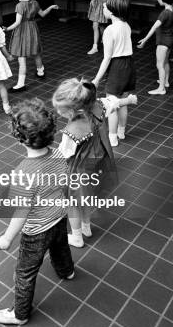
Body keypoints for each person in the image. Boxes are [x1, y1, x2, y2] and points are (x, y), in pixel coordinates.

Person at [0, 98, 74, 325]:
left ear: (19, 138)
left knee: (25, 273)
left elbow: (22, 211)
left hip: (36, 230)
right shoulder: (59, 154)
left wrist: (7, 238)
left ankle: (19, 314)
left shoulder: (23, 172)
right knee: (60, 246)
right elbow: (64, 183)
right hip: (59, 216)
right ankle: (67, 271)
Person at [53, 78, 136, 247]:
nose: (58, 112)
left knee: (72, 202)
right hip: (98, 162)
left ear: (72, 110)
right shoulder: (99, 105)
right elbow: (114, 102)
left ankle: (76, 237)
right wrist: (130, 100)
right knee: (84, 198)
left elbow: (64, 153)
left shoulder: (72, 130)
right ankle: (86, 227)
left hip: (80, 169)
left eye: (60, 110)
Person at [92, 0, 137, 146]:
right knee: (122, 103)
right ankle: (121, 132)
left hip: (117, 68)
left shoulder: (109, 30)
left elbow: (107, 58)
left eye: (104, 7)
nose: (103, 9)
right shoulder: (126, 26)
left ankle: (112, 138)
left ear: (111, 10)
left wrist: (97, 79)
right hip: (129, 65)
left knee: (112, 104)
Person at [4, 0, 58, 92]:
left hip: (22, 31)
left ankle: (20, 84)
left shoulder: (19, 6)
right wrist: (51, 7)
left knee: (21, 57)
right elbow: (42, 14)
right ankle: (40, 71)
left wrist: (6, 29)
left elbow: (17, 22)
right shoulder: (34, 2)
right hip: (33, 29)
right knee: (36, 52)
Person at [137, 0, 173, 95]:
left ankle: (161, 89)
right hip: (170, 40)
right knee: (165, 62)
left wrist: (145, 39)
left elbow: (154, 27)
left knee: (159, 65)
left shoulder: (165, 13)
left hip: (163, 42)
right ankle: (165, 82)